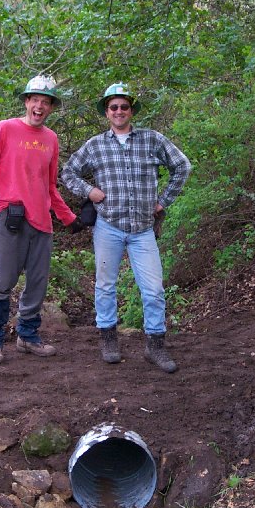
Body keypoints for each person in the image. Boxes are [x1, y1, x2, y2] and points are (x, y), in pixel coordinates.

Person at [0, 75, 83, 365]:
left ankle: (28, 336)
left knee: (37, 283)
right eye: (35, 100)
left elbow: (50, 186)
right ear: (26, 101)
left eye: (46, 102)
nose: (40, 106)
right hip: (10, 217)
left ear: (51, 108)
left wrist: (68, 218)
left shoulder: (51, 139)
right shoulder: (6, 129)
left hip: (42, 222)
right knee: (4, 281)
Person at [61, 82, 191, 372]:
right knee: (106, 285)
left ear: (131, 110)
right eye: (113, 107)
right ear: (106, 113)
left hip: (143, 228)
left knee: (154, 289)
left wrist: (163, 202)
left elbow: (182, 166)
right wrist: (89, 191)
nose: (119, 111)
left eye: (124, 106)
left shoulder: (152, 140)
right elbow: (67, 172)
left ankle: (155, 346)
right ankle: (108, 340)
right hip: (108, 226)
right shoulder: (95, 145)